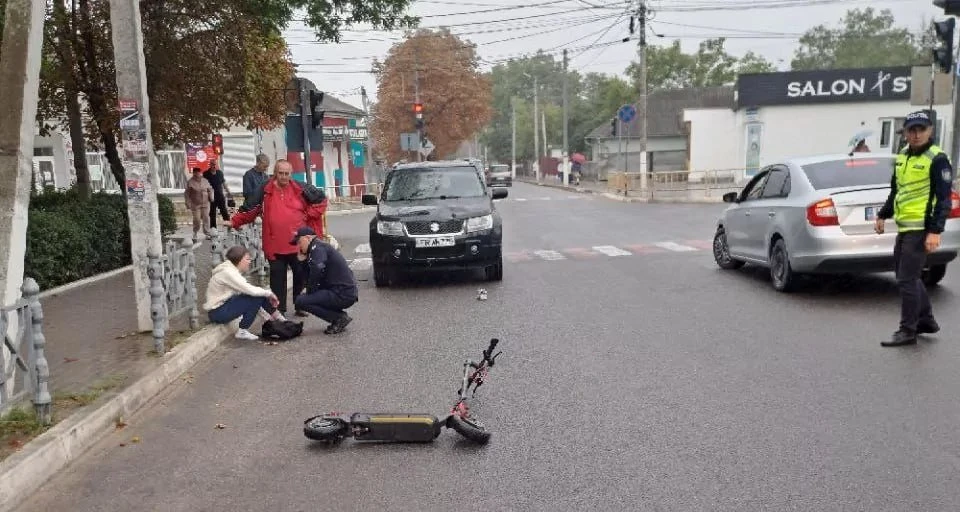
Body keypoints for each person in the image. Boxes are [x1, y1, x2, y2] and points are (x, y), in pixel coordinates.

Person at [874, 110, 952, 347]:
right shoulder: (903, 156)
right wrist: (883, 214)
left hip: (922, 229)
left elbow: (944, 198)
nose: (916, 134)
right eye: (912, 130)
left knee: (906, 279)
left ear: (930, 131)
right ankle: (926, 320)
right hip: (905, 228)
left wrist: (935, 231)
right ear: (905, 133)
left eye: (921, 130)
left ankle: (907, 330)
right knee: (906, 275)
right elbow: (897, 191)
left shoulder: (937, 159)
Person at [230, 159, 328, 316]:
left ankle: (300, 304)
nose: (283, 177)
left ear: (291, 174)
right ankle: (279, 309)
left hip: (298, 244)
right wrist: (233, 221)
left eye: (287, 173)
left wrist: (308, 215)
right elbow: (250, 208)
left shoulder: (301, 188)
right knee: (277, 278)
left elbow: (322, 201)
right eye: (280, 173)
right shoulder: (264, 189)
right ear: (275, 173)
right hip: (274, 243)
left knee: (301, 275)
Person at [205, 245, 286, 340]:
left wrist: (267, 316)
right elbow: (251, 291)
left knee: (257, 294)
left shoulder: (229, 270)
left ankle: (281, 320)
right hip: (217, 313)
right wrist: (270, 294)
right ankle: (242, 331)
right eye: (247, 259)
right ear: (240, 260)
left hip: (223, 307)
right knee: (257, 296)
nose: (250, 261)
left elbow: (249, 292)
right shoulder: (229, 273)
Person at [290, 227, 358, 334]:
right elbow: (308, 276)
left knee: (301, 301)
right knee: (303, 299)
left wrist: (309, 291)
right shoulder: (314, 250)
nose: (299, 246)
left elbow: (318, 268)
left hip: (342, 293)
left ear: (308, 238)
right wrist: (302, 263)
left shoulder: (317, 248)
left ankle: (338, 318)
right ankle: (339, 317)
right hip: (340, 291)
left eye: (299, 242)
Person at [185, 167, 214, 239]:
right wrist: (187, 203)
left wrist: (211, 197)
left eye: (199, 172)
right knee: (197, 219)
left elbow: (210, 189)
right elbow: (187, 194)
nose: (197, 174)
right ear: (193, 173)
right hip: (195, 204)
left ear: (200, 173)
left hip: (205, 203)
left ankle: (207, 233)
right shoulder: (190, 182)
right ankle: (195, 232)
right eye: (196, 172)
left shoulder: (205, 180)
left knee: (206, 218)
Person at [204, 159, 234, 229]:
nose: (214, 166)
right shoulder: (206, 174)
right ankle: (213, 229)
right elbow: (203, 185)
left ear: (216, 165)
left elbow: (224, 183)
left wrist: (229, 192)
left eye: (215, 164)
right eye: (212, 164)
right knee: (212, 214)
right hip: (211, 197)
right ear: (210, 165)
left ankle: (229, 226)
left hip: (220, 196)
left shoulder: (220, 173)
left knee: (224, 211)